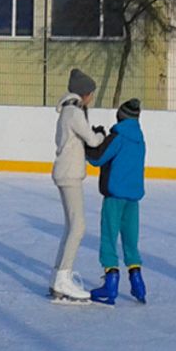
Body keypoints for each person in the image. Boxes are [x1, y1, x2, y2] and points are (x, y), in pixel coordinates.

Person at [49, 68, 107, 302]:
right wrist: (102, 134)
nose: (92, 97)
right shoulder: (74, 112)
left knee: (71, 226)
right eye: (91, 93)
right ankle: (63, 279)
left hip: (65, 172)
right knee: (78, 227)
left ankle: (57, 276)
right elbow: (92, 140)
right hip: (70, 174)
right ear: (84, 93)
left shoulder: (68, 110)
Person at [86, 98, 147, 305]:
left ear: (120, 116)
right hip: (133, 198)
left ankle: (110, 284)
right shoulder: (140, 139)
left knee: (109, 238)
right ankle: (137, 282)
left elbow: (97, 159)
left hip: (114, 196)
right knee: (131, 241)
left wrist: (93, 140)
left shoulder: (118, 137)